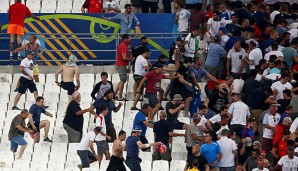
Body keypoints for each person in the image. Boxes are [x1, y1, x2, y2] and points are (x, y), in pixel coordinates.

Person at [113, 34, 133, 101]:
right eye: (129, 38)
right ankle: (120, 96)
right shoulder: (123, 46)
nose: (130, 39)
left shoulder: (124, 45)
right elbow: (124, 57)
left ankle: (114, 94)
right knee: (122, 80)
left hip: (121, 65)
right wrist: (131, 58)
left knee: (122, 80)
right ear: (125, 39)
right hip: (121, 65)